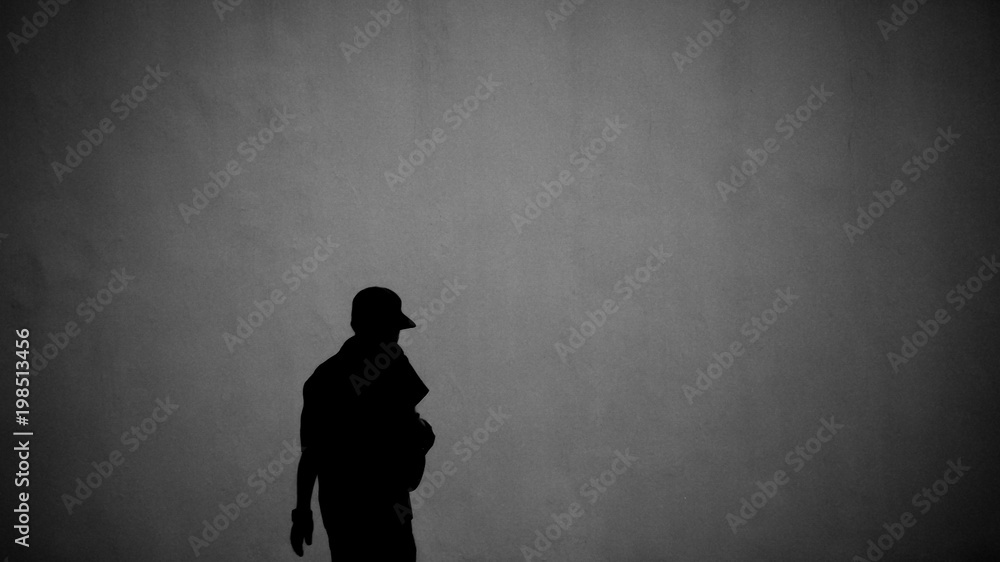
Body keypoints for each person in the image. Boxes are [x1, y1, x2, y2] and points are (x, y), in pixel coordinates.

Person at [291, 286, 435, 560]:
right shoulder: (392, 364)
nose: (396, 336)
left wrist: (302, 513)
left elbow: (312, 454)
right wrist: (423, 436)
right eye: (390, 328)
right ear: (370, 326)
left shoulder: (324, 378)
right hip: (383, 508)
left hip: (347, 510)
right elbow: (410, 426)